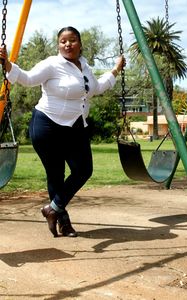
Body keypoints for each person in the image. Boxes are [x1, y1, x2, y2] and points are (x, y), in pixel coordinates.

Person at [0, 26, 125, 238]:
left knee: (83, 170)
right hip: (47, 126)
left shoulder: (85, 67)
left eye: (73, 40)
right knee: (56, 175)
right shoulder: (52, 64)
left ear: (80, 43)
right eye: (63, 41)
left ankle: (52, 209)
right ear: (59, 45)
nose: (68, 44)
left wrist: (116, 70)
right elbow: (28, 79)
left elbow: (97, 88)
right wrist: (7, 63)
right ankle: (64, 223)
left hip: (76, 127)